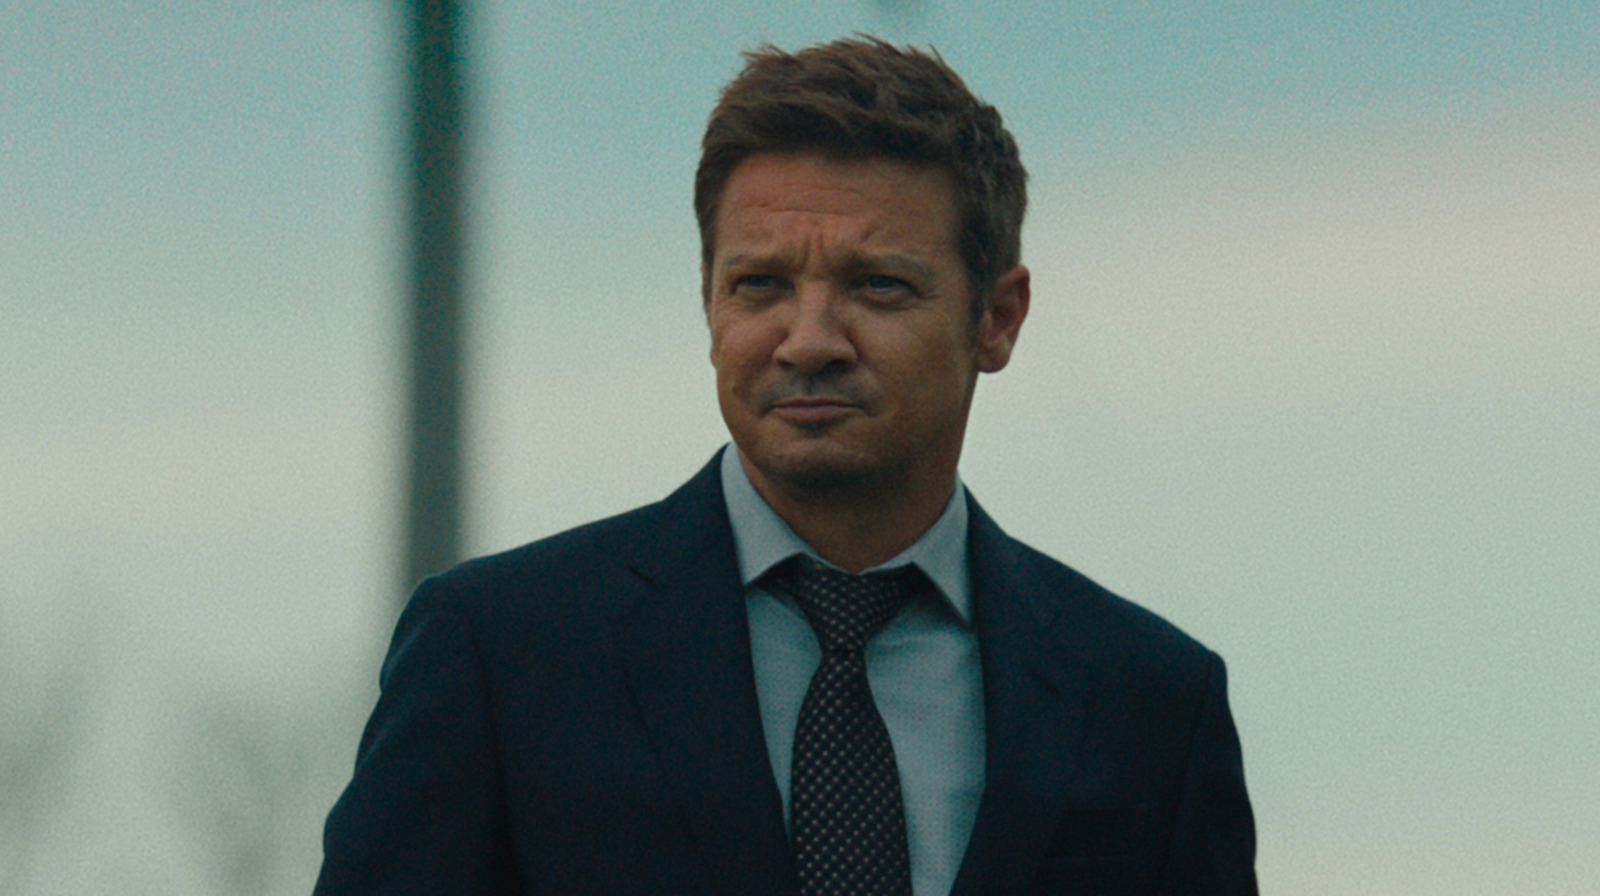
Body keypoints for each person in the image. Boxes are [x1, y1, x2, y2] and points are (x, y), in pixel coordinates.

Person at [315, 36, 1257, 896]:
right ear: (708, 302)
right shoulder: (501, 655)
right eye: (760, 284)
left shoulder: (1152, 703)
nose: (808, 341)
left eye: (877, 285)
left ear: (997, 318)